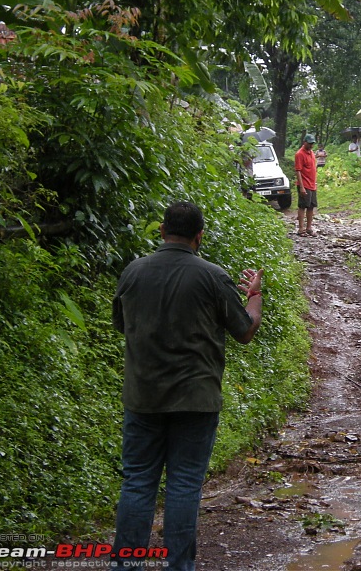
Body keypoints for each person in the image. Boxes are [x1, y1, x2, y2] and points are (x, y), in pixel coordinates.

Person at [111, 201, 263, 571]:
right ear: (200, 236)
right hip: (196, 401)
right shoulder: (212, 276)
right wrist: (255, 297)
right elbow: (244, 331)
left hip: (143, 398)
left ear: (162, 231)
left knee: (137, 483)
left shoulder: (134, 272)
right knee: (183, 486)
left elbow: (121, 324)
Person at [295, 134, 318, 237]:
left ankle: (309, 228)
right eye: (309, 143)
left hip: (312, 184)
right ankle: (301, 229)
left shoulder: (312, 153)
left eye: (312, 143)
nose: (311, 145)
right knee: (302, 206)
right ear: (304, 142)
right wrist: (301, 187)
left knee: (311, 206)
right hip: (304, 184)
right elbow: (298, 171)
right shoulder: (299, 154)